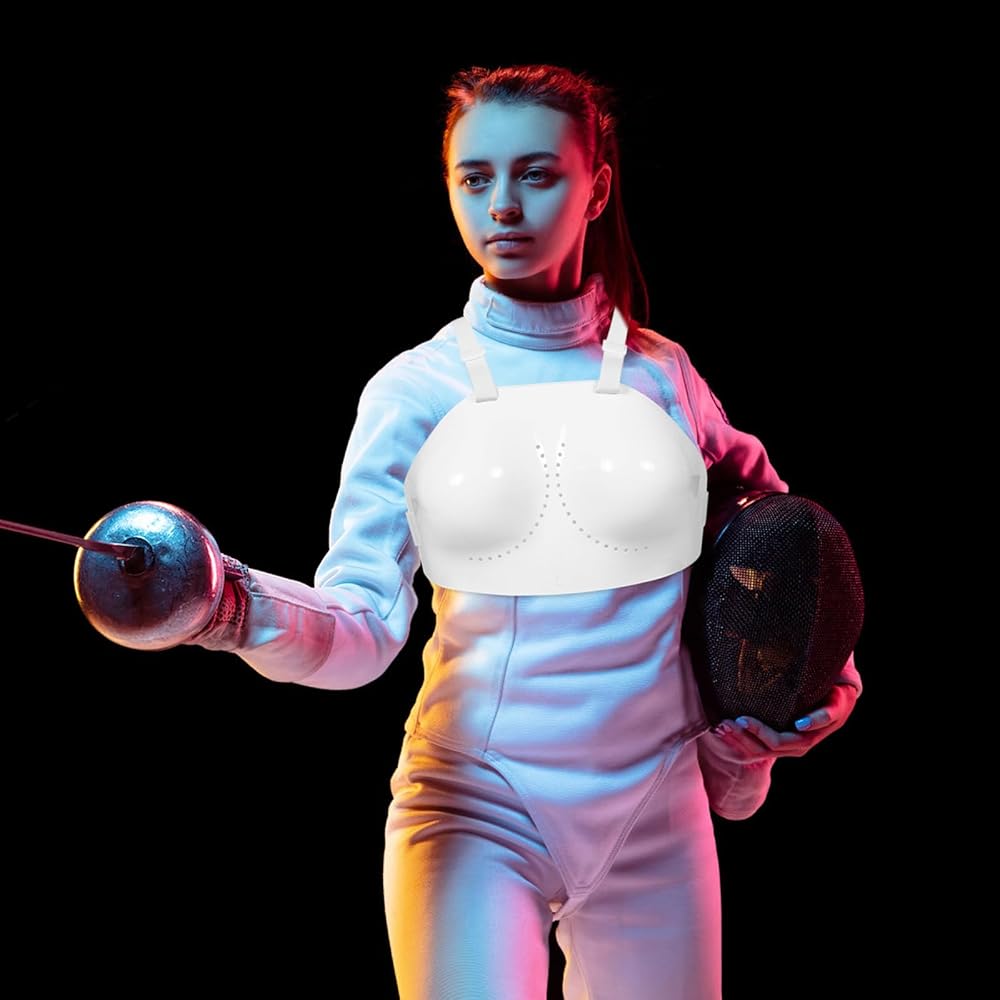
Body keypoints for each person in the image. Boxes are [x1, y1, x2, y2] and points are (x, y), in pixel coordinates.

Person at [185, 63, 862, 1000]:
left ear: (598, 187)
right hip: (476, 805)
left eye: (537, 174)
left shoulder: (665, 376)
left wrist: (815, 673)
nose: (502, 205)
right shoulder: (417, 390)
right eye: (475, 178)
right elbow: (361, 630)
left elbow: (788, 550)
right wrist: (225, 605)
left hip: (654, 811)